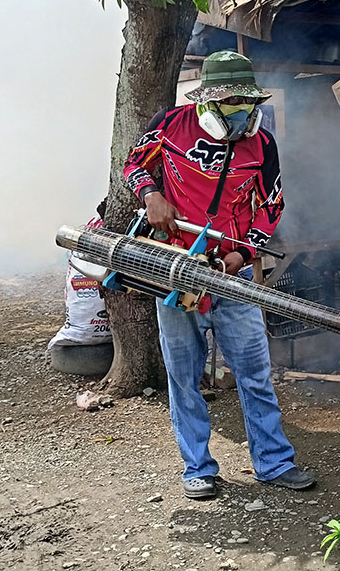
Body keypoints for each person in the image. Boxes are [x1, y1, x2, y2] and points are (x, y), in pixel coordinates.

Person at [122, 50, 316, 499]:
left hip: (231, 277)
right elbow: (133, 165)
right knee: (184, 376)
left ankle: (273, 462)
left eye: (247, 104)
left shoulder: (262, 144)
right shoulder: (170, 125)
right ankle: (198, 468)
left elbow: (272, 207)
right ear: (207, 103)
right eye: (231, 105)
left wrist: (242, 254)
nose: (241, 114)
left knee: (254, 372)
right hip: (177, 271)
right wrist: (150, 194)